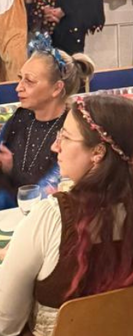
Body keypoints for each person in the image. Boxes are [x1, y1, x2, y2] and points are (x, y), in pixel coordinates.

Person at [0, 94, 133, 336]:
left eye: (66, 137)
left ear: (97, 152)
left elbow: (5, 322)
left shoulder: (53, 218)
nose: (55, 146)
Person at [0, 35, 94, 209]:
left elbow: (48, 196)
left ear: (57, 88)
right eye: (20, 78)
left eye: (29, 81)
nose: (18, 87)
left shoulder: (70, 131)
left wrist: (11, 169)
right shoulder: (20, 117)